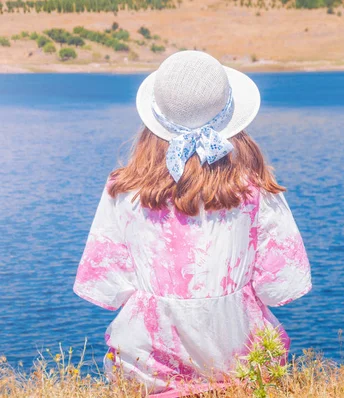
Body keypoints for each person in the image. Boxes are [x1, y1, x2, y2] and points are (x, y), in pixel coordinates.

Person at [73, 51, 312, 397]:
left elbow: (106, 283)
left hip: (147, 366)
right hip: (239, 361)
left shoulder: (123, 189)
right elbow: (283, 283)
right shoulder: (255, 190)